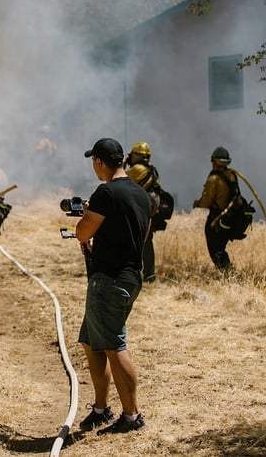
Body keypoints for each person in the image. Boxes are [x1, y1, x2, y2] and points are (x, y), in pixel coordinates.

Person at [75, 137, 152, 435]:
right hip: (130, 275)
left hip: (109, 279)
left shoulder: (105, 193)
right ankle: (100, 409)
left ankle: (131, 417)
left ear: (99, 162)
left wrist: (86, 214)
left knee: (113, 345)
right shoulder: (141, 195)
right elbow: (138, 237)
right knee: (91, 340)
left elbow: (83, 232)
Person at [192, 146, 238, 270]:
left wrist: (197, 203)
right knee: (221, 246)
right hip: (229, 217)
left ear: (215, 161)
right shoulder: (231, 175)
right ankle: (228, 271)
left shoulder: (214, 179)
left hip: (217, 218)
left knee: (215, 248)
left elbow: (206, 201)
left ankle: (226, 271)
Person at [125, 141, 161, 282]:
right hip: (148, 211)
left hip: (136, 211)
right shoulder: (152, 169)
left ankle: (130, 273)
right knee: (147, 243)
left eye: (132, 154)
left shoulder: (137, 169)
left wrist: (123, 165)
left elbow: (117, 180)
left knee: (132, 242)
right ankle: (149, 274)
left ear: (138, 155)